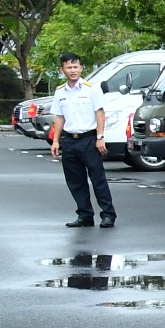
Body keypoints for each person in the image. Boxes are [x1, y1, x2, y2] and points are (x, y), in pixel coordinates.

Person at [48, 54, 116, 228]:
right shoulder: (60, 91)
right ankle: (85, 215)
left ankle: (108, 215)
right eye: (69, 67)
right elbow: (59, 117)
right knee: (75, 181)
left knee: (98, 179)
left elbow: (99, 114)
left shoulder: (91, 88)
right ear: (61, 70)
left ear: (81, 68)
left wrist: (100, 138)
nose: (73, 70)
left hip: (89, 139)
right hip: (70, 141)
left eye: (76, 67)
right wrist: (56, 141)